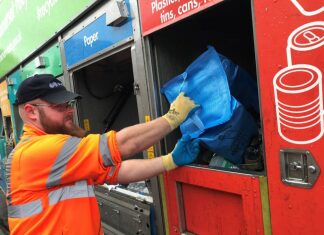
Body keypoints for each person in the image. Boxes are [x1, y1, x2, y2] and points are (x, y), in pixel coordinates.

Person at [6, 74, 200, 234]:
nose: (69, 111)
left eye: (68, 104)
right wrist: (172, 118)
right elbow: (122, 144)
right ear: (31, 112)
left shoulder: (57, 158)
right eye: (59, 106)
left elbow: (117, 171)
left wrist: (169, 160)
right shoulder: (35, 152)